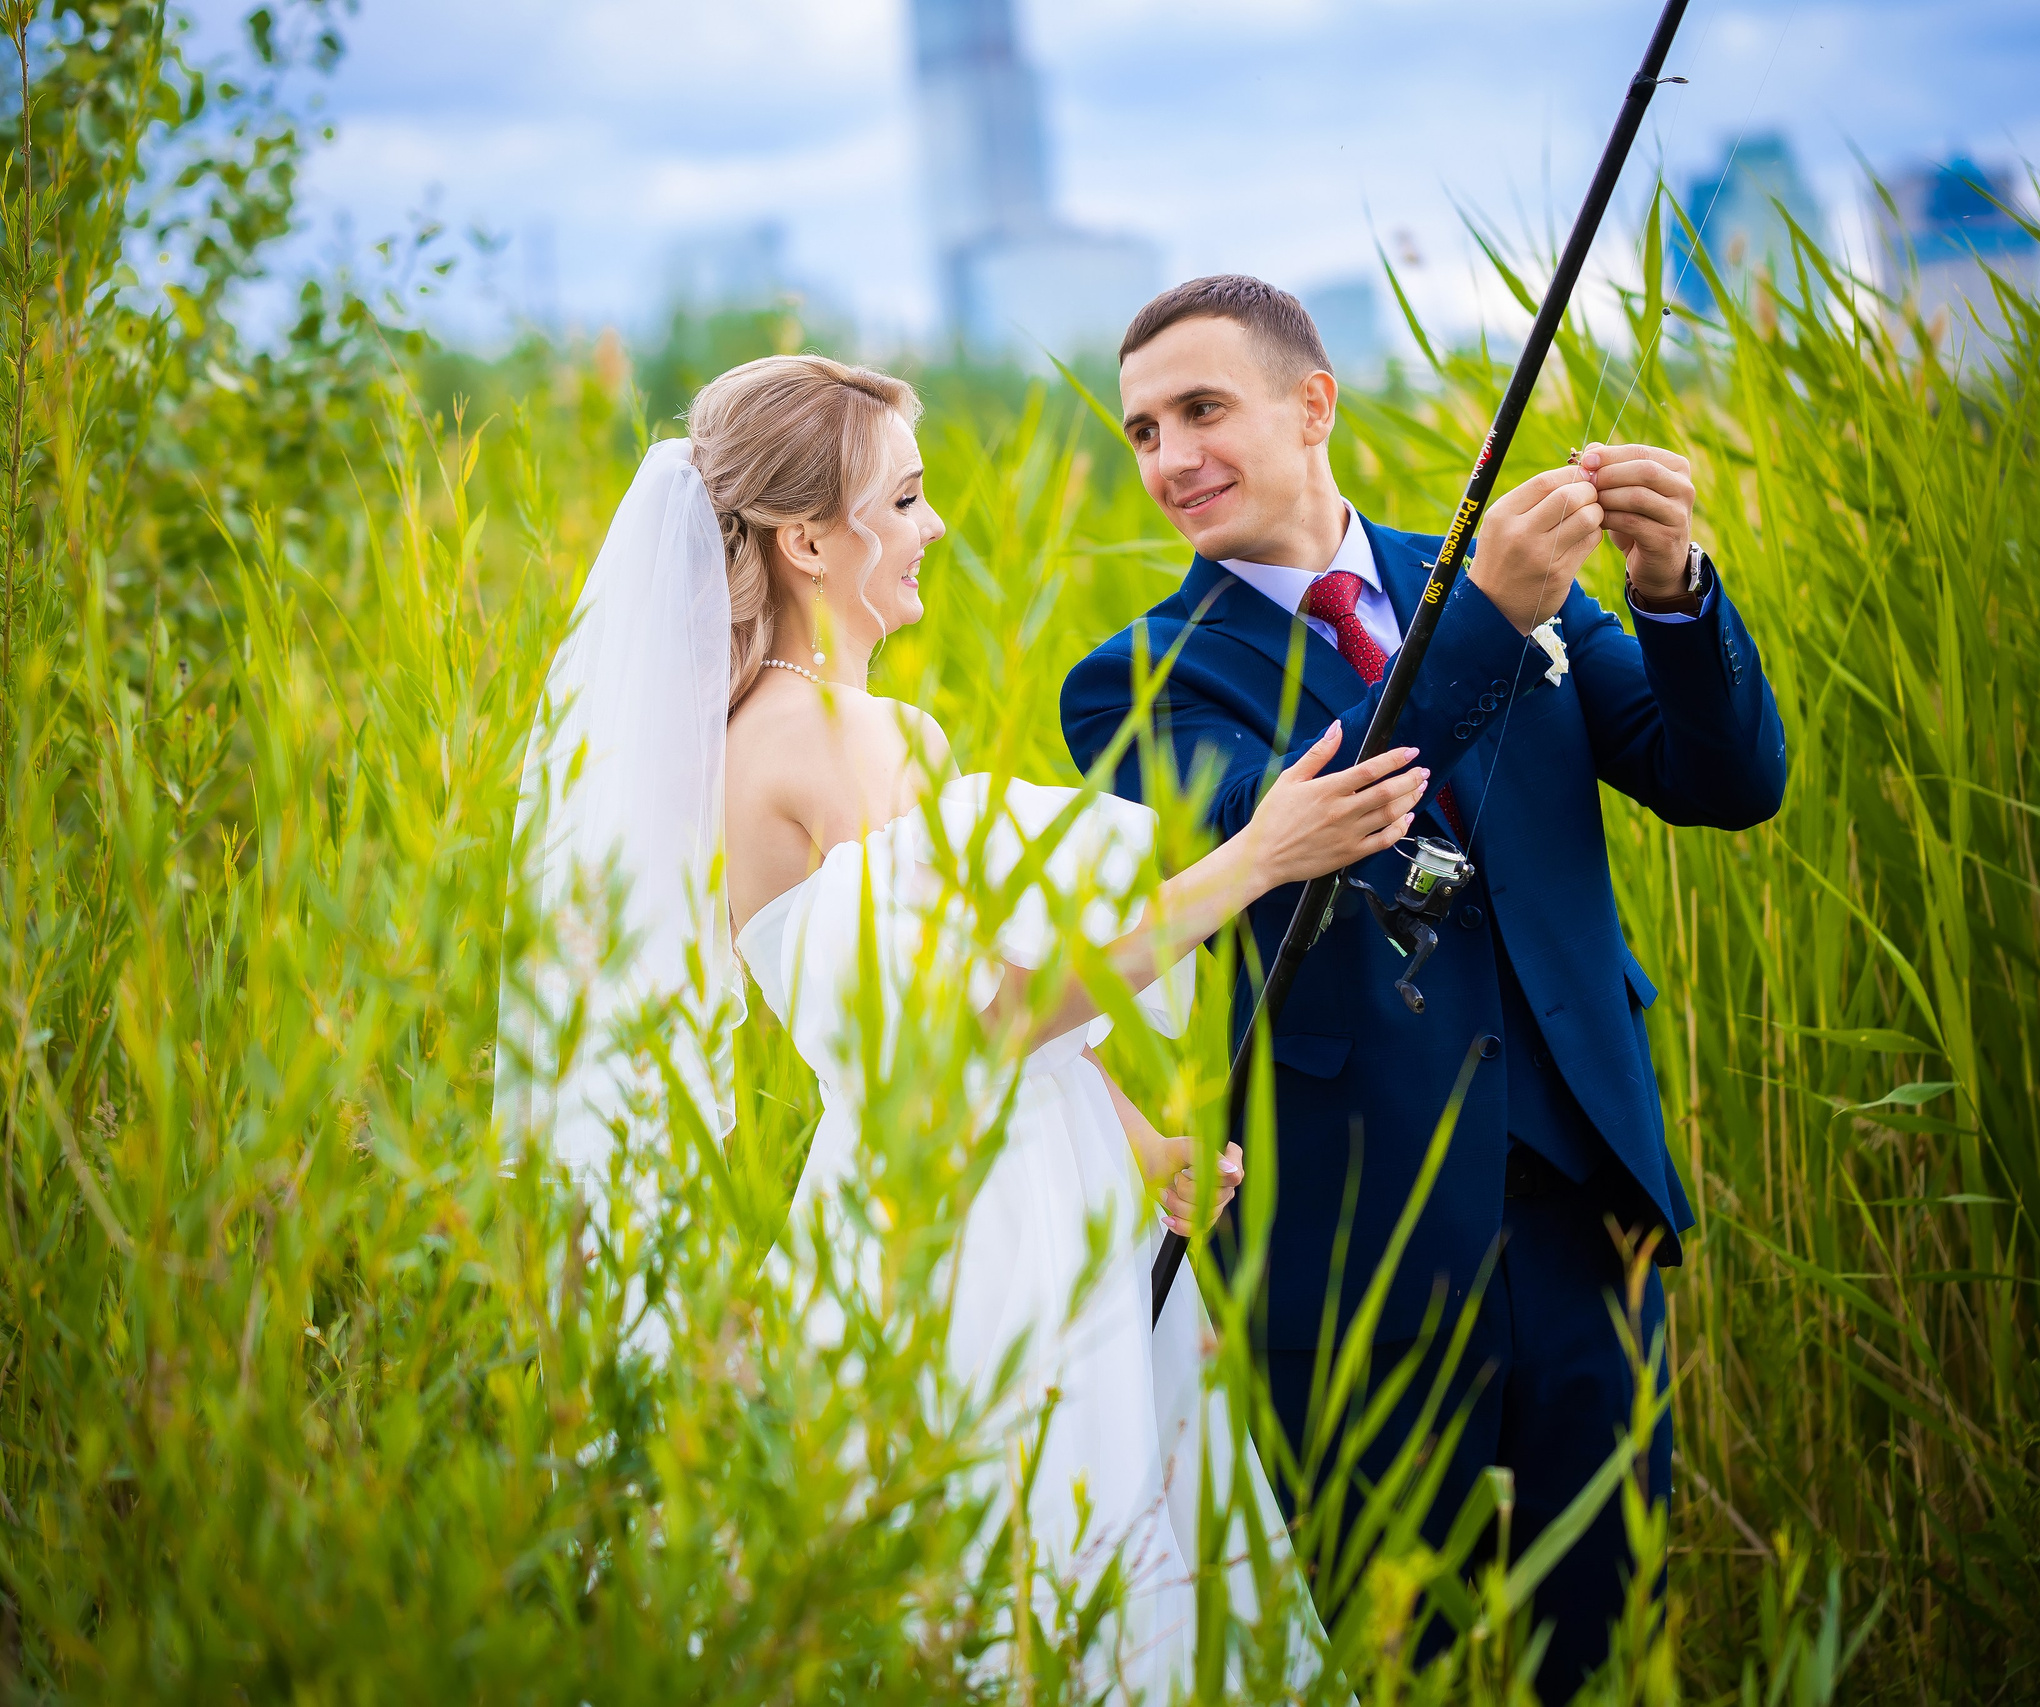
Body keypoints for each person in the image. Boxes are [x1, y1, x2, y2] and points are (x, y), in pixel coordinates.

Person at [506, 353, 1420, 1696]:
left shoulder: (895, 735)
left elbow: (1007, 1006)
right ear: (812, 537)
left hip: (1036, 1188)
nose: (935, 528)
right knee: (1037, 1576)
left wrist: (1136, 1146)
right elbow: (961, 1036)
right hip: (958, 1226)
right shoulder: (800, 741)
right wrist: (1256, 861)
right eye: (910, 498)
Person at [1060, 276, 1789, 1701]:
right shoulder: (1138, 680)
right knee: (1413, 1666)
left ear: (1311, 402)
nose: (1170, 459)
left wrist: (1671, 588)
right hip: (1354, 1254)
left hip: (1586, 1215)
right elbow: (1302, 825)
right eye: (1143, 430)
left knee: (1609, 1645)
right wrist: (1492, 622)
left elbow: (1726, 782)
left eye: (1202, 410)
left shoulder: (1495, 586)